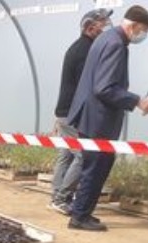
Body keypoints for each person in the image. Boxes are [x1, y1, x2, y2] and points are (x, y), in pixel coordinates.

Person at [66, 5, 148, 232]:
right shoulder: (116, 44)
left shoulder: (106, 38)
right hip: (98, 119)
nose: (144, 35)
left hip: (91, 116)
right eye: (144, 29)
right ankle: (79, 216)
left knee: (96, 165)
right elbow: (104, 88)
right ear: (133, 26)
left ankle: (83, 212)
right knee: (96, 167)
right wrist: (137, 101)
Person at [48, 9, 114, 216]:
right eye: (102, 24)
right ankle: (62, 198)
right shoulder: (85, 52)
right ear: (90, 28)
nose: (106, 28)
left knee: (66, 155)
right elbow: (85, 87)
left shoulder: (78, 47)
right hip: (72, 112)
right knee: (82, 155)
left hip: (64, 111)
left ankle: (56, 197)